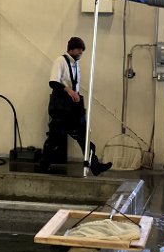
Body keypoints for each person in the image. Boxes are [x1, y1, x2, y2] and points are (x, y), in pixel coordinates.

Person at [38, 37, 113, 176]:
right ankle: (44, 164)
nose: (81, 53)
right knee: (55, 137)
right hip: (60, 106)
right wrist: (69, 90)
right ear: (71, 49)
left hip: (73, 106)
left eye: (82, 50)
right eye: (79, 49)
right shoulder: (60, 61)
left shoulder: (76, 64)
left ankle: (94, 164)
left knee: (83, 136)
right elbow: (53, 82)